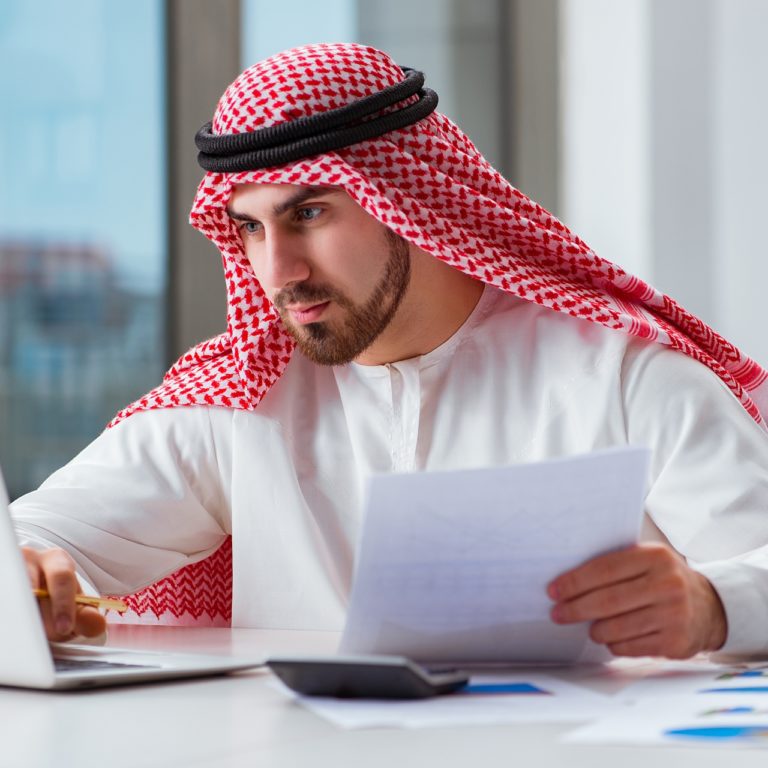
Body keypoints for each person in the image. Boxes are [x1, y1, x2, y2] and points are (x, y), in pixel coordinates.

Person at [11, 43, 768, 660]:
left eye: (309, 213)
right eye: (249, 228)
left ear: (406, 202)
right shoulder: (244, 396)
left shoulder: (621, 377)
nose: (277, 271)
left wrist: (712, 606)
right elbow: (36, 535)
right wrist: (25, 573)